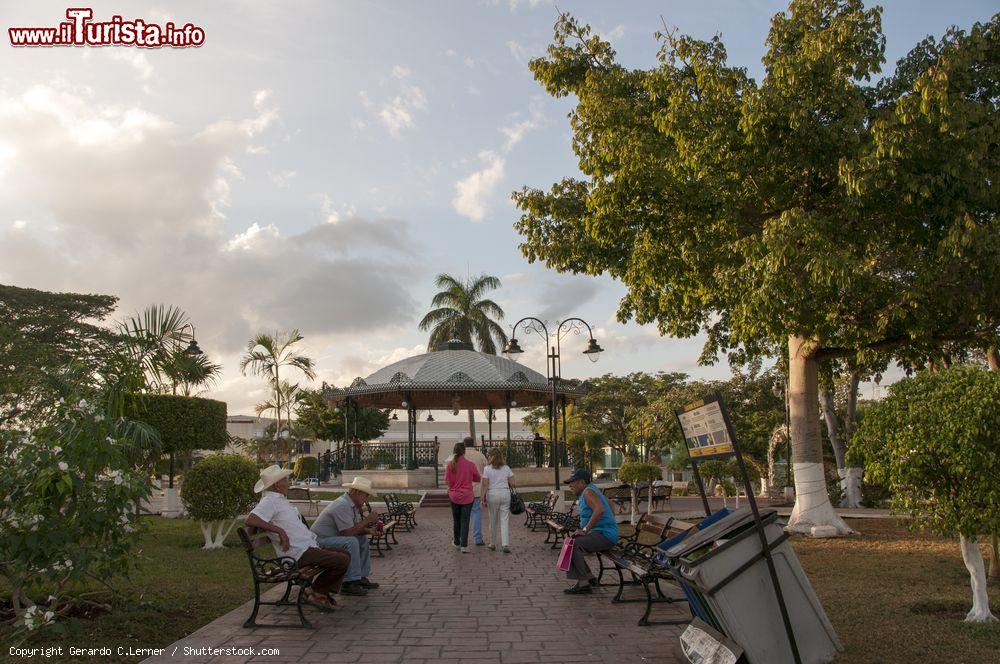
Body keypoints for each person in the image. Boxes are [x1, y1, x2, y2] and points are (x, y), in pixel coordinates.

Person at [245, 464, 349, 612]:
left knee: (345, 554)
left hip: (305, 548)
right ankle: (315, 592)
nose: (289, 483)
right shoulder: (270, 501)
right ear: (277, 485)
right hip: (296, 555)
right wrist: (279, 531)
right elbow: (251, 519)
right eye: (286, 480)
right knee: (341, 560)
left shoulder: (279, 500)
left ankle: (319, 592)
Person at [310, 477, 381, 596]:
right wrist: (368, 520)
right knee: (351, 541)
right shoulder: (342, 505)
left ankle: (360, 577)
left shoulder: (350, 505)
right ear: (357, 492)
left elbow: (354, 528)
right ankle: (349, 582)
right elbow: (347, 533)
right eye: (366, 495)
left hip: (330, 538)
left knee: (361, 539)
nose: (366, 499)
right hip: (319, 541)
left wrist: (369, 531)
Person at [562, 468, 619, 594]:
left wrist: (586, 529)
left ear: (582, 482)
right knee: (571, 542)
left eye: (573, 482)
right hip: (603, 533)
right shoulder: (590, 490)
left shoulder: (588, 491)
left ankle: (583, 583)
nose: (570, 485)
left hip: (605, 535)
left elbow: (600, 509)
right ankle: (589, 577)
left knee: (573, 544)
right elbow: (610, 504)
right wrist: (609, 522)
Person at [440, 436, 487, 545]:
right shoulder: (481, 456)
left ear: (464, 445)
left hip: (458, 492)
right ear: (473, 444)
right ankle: (477, 539)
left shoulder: (456, 458)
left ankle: (459, 540)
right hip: (475, 490)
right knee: (476, 514)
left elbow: (448, 479)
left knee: (459, 518)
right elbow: (485, 473)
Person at [444, 441, 480, 552]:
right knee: (465, 520)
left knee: (456, 520)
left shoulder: (450, 465)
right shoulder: (470, 464)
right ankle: (464, 545)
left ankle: (456, 542)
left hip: (454, 496)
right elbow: (477, 478)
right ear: (464, 451)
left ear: (454, 451)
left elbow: (447, 481)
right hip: (467, 496)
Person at [481, 448, 514, 552]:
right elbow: (513, 483)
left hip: (492, 494)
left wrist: (482, 498)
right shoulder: (506, 468)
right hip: (505, 493)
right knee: (504, 520)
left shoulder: (487, 469)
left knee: (493, 520)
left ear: (491, 456)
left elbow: (485, 485)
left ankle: (492, 543)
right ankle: (505, 544)